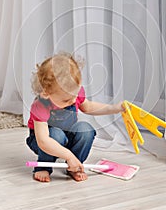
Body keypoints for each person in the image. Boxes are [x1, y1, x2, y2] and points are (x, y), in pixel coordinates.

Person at [26, 52, 124, 182]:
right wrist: (68, 156)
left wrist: (115, 108)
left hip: (67, 135)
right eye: (66, 100)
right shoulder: (40, 105)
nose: (73, 101)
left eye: (75, 95)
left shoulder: (72, 94)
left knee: (86, 129)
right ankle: (44, 166)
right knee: (56, 134)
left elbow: (88, 107)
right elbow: (43, 141)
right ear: (46, 93)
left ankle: (75, 167)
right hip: (43, 141)